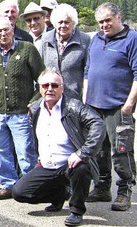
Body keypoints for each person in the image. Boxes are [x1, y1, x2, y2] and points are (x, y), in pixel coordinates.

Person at [13, 69, 105, 226]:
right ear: (39, 88)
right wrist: (40, 155)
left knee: (81, 170)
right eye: (46, 85)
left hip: (70, 164)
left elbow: (98, 123)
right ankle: (60, 194)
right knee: (19, 193)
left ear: (62, 88)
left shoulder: (73, 106)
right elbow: (37, 136)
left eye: (54, 85)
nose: (50, 89)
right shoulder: (35, 109)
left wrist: (82, 153)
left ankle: (76, 210)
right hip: (48, 165)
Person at [0, 16, 45, 200]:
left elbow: (43, 79)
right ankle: (7, 185)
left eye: (6, 30)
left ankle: (31, 188)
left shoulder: (27, 49)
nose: (3, 34)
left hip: (21, 113)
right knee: (2, 152)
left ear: (13, 30)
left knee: (25, 152)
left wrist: (35, 101)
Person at [83, 2, 137, 211]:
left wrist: (128, 105)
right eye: (100, 22)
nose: (104, 25)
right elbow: (88, 71)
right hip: (95, 106)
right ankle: (102, 188)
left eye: (107, 20)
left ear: (118, 17)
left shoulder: (132, 39)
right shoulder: (96, 39)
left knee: (121, 150)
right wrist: (85, 99)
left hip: (118, 107)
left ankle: (124, 190)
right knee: (98, 150)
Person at [40, 4, 89, 100]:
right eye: (60, 22)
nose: (63, 25)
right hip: (50, 98)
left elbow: (87, 72)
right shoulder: (46, 39)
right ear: (55, 23)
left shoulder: (85, 40)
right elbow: (41, 69)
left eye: (67, 22)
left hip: (74, 98)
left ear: (73, 23)